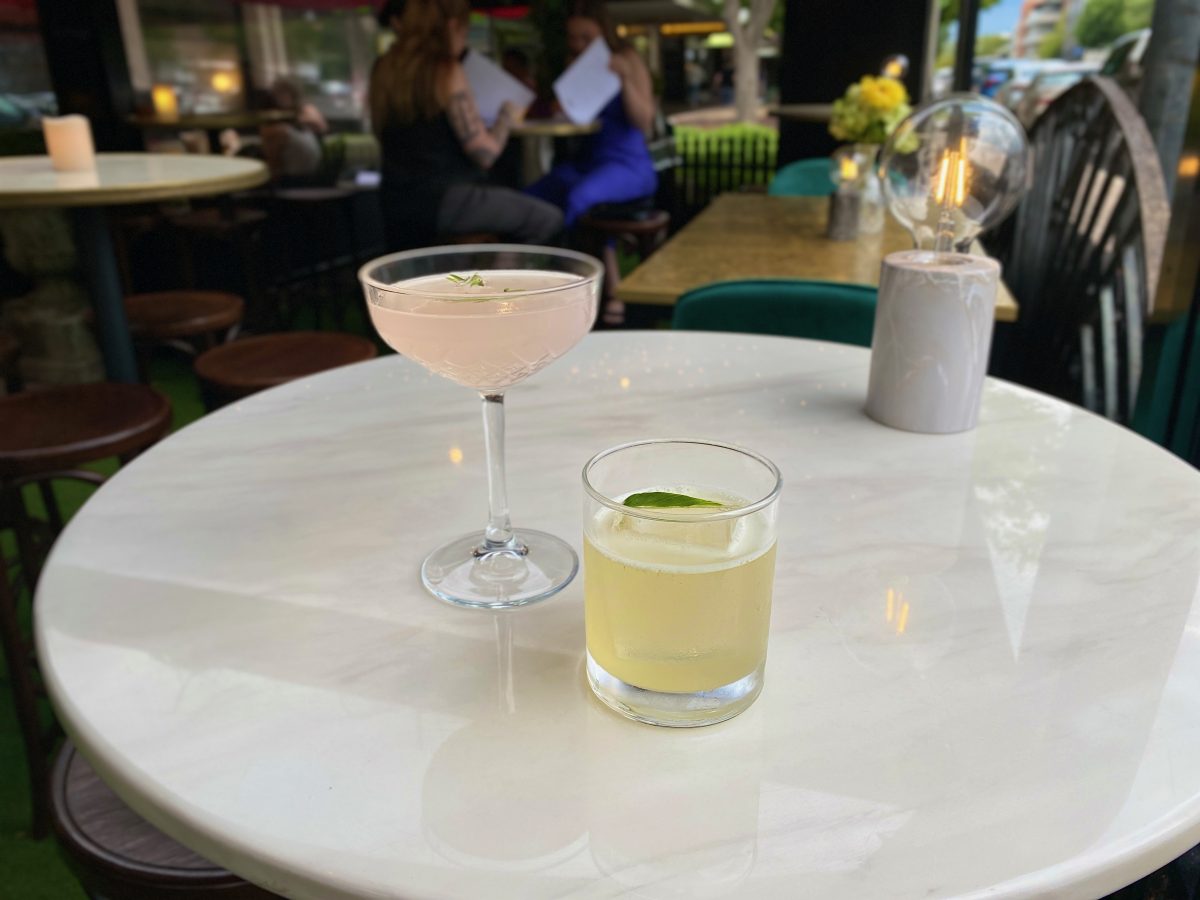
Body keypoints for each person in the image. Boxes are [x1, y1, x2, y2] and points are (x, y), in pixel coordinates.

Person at [369, 0, 562, 249]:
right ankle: (504, 286)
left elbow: (378, 131)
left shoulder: (383, 68)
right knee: (548, 220)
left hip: (395, 202)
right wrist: (506, 116)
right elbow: (485, 153)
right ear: (453, 25)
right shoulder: (447, 70)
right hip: (449, 199)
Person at [524, 0, 657, 229]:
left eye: (586, 37)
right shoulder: (574, 62)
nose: (578, 44)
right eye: (572, 37)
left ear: (604, 31)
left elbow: (644, 121)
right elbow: (575, 114)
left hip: (626, 163)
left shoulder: (627, 58)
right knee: (531, 196)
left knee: (578, 197)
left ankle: (563, 260)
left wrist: (625, 81)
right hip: (587, 163)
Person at [260, 77, 328, 182]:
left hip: (299, 181)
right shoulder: (279, 126)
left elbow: (322, 127)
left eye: (284, 93)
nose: (281, 97)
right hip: (303, 179)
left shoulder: (304, 112)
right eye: (278, 94)